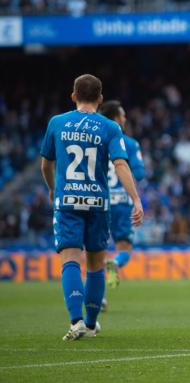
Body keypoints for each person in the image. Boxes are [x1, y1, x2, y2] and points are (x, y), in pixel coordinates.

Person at [40, 74, 143, 341]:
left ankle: (75, 322)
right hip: (98, 203)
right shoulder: (110, 127)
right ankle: (91, 323)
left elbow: (45, 164)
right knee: (96, 265)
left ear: (73, 95)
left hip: (68, 201)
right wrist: (136, 199)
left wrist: (52, 187)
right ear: (100, 98)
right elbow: (121, 164)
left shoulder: (57, 123)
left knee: (71, 259)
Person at [98, 100, 145, 306]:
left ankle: (98, 297)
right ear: (116, 118)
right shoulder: (130, 143)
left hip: (100, 201)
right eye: (123, 116)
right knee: (124, 248)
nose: (125, 119)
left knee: (95, 251)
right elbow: (140, 174)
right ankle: (115, 263)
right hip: (124, 203)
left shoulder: (94, 140)